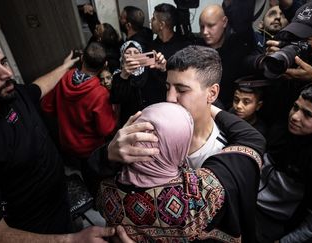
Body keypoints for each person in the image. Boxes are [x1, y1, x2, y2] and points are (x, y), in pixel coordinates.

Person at [0, 30, 129, 242]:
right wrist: (70, 240)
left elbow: (39, 88)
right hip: (31, 229)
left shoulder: (9, 93)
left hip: (60, 200)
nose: (6, 74)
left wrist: (66, 66)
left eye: (3, 62)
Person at [83, 45, 266, 243]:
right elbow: (96, 179)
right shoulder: (150, 135)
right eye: (168, 87)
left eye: (182, 89)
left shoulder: (225, 147)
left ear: (212, 93)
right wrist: (108, 154)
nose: (170, 99)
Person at [96, 102, 262, 242]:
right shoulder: (198, 196)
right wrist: (208, 105)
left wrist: (108, 152)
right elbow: (252, 140)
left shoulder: (106, 190)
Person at [256, 83, 312, 242]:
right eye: (295, 107)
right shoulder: (279, 131)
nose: (295, 116)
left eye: (308, 114)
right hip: (247, 201)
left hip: (274, 223)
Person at [41, 42, 116, 170]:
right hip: (90, 149)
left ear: (82, 58)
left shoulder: (63, 76)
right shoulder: (100, 93)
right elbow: (106, 129)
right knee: (92, 177)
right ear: (104, 65)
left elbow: (46, 106)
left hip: (66, 144)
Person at [198, 1, 256, 108]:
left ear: (224, 22)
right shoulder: (196, 49)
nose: (205, 32)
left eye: (211, 26)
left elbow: (244, 23)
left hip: (231, 110)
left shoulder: (237, 47)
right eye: (202, 27)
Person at [110, 40, 166, 127]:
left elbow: (164, 87)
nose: (132, 55)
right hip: (132, 122)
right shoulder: (118, 76)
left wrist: (162, 70)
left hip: (154, 119)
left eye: (136, 52)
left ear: (141, 54)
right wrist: (124, 75)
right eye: (128, 52)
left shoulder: (151, 69)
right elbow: (116, 99)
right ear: (122, 56)